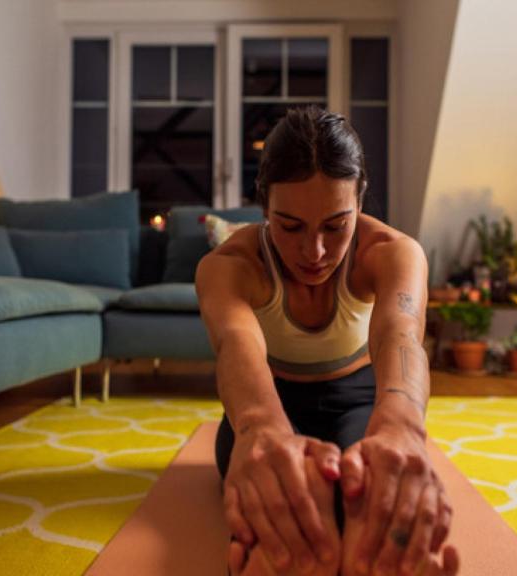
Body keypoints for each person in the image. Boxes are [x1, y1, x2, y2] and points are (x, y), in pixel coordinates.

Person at [196, 106, 458, 576]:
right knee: (279, 493)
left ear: (360, 203)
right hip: (269, 399)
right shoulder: (229, 265)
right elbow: (237, 345)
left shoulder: (393, 253)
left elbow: (401, 334)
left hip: (356, 398)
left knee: (367, 490)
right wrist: (259, 433)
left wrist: (403, 428)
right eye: (290, 226)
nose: (314, 252)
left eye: (336, 226)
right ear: (264, 209)